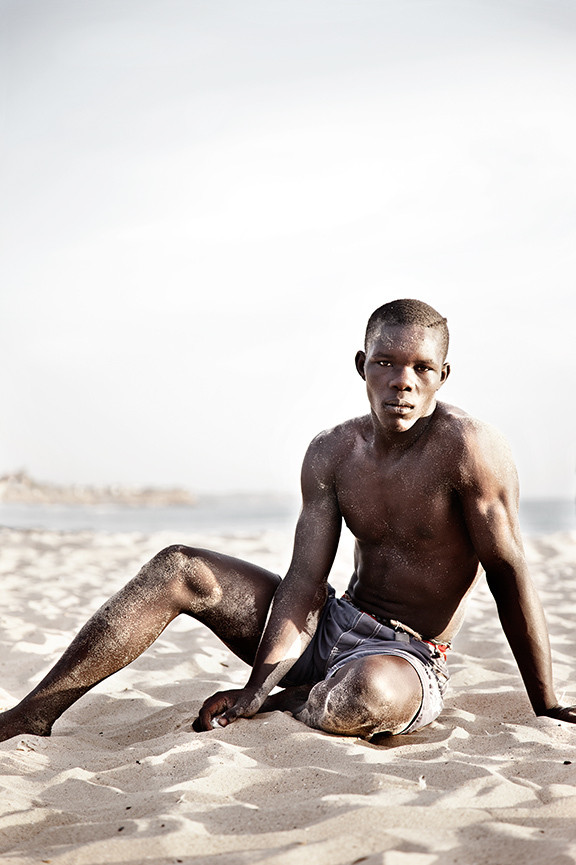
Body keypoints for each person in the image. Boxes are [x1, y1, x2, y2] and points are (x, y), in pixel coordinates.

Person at [1, 299, 574, 744]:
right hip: (329, 624)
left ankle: (291, 700)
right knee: (179, 568)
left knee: (365, 694)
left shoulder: (470, 450)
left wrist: (545, 702)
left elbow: (508, 573)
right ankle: (33, 714)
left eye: (423, 367)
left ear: (443, 375)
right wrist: (253, 687)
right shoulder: (333, 452)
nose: (404, 380)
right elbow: (303, 581)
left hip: (404, 657)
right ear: (362, 366)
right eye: (386, 362)